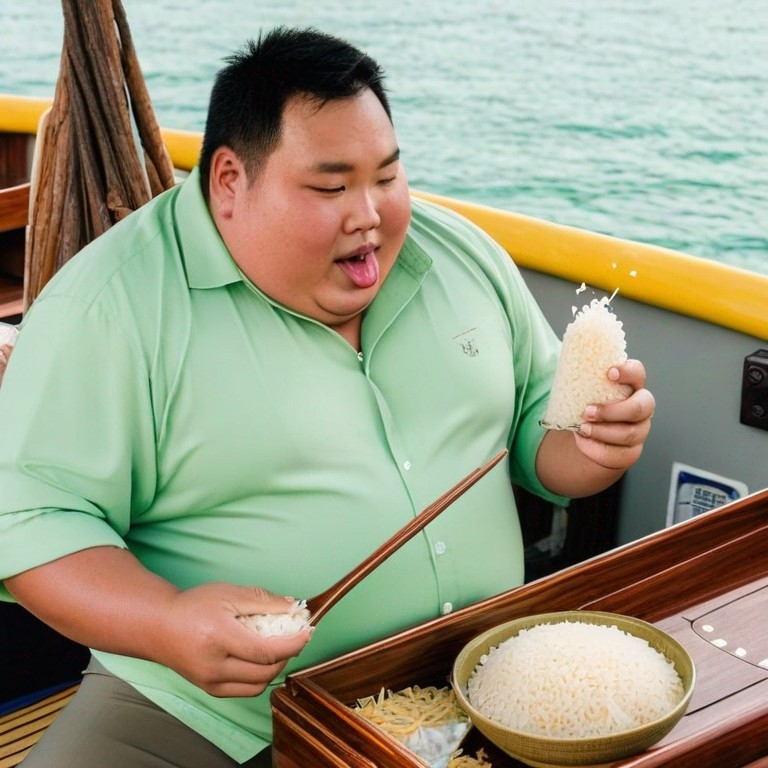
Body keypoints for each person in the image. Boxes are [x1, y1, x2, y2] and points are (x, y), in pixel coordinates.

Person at [0, 26, 655, 768]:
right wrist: (166, 621)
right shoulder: (107, 308)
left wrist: (594, 447)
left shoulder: (461, 255)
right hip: (209, 713)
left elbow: (544, 442)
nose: (369, 213)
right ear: (229, 182)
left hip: (486, 675)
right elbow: (32, 521)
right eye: (330, 186)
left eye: (387, 175)